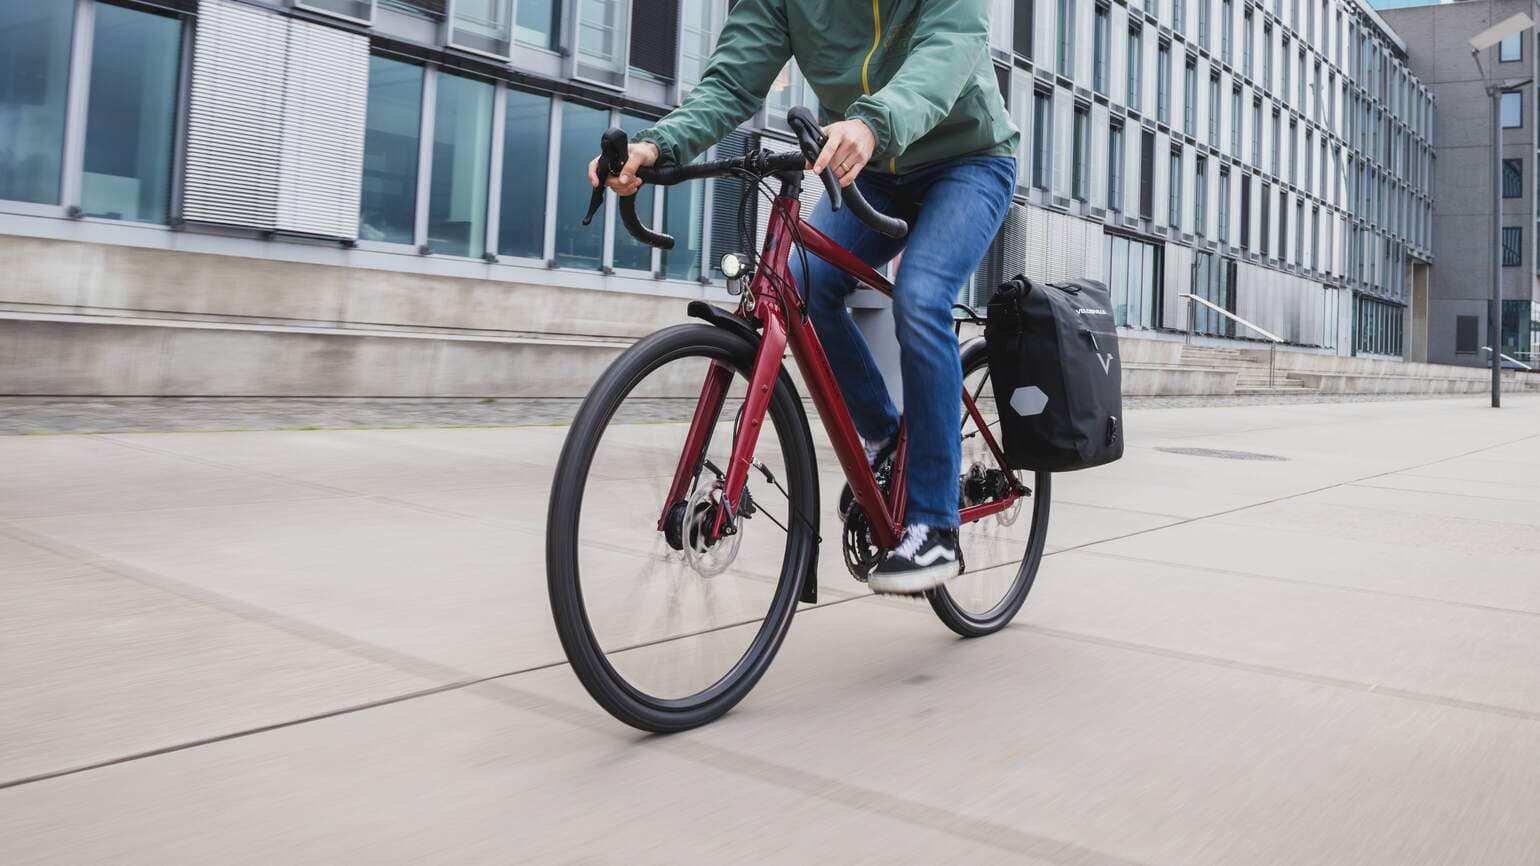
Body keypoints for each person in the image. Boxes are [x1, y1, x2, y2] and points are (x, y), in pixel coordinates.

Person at [590, 0, 1018, 595]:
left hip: (968, 160)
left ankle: (935, 525)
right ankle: (889, 439)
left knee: (921, 297)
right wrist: (657, 146)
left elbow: (949, 47)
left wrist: (872, 123)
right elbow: (733, 80)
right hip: (870, 170)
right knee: (800, 284)